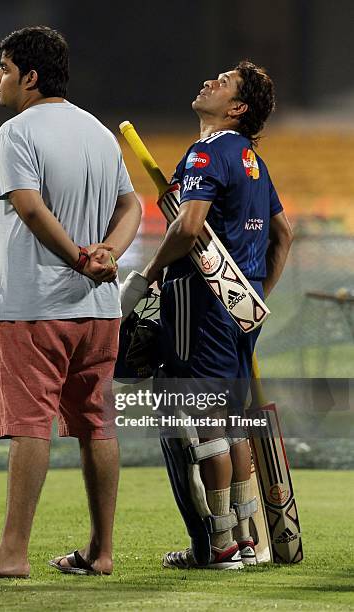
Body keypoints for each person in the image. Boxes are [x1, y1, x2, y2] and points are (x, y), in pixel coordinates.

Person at [0, 26, 141, 578]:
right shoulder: (101, 133)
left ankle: (12, 553)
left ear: (30, 77)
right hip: (99, 310)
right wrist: (107, 253)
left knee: (31, 426)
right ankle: (102, 553)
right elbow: (131, 206)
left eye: (4, 68)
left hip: (35, 307)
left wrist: (81, 257)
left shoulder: (15, 133)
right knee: (96, 426)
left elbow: (31, 211)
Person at [141, 61, 293, 569]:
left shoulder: (206, 151)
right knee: (233, 421)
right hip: (240, 307)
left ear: (237, 107)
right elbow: (283, 234)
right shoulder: (252, 158)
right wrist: (254, 297)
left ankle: (223, 545)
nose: (209, 81)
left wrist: (150, 269)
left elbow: (187, 227)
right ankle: (247, 539)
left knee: (208, 423)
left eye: (223, 82)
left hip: (204, 303)